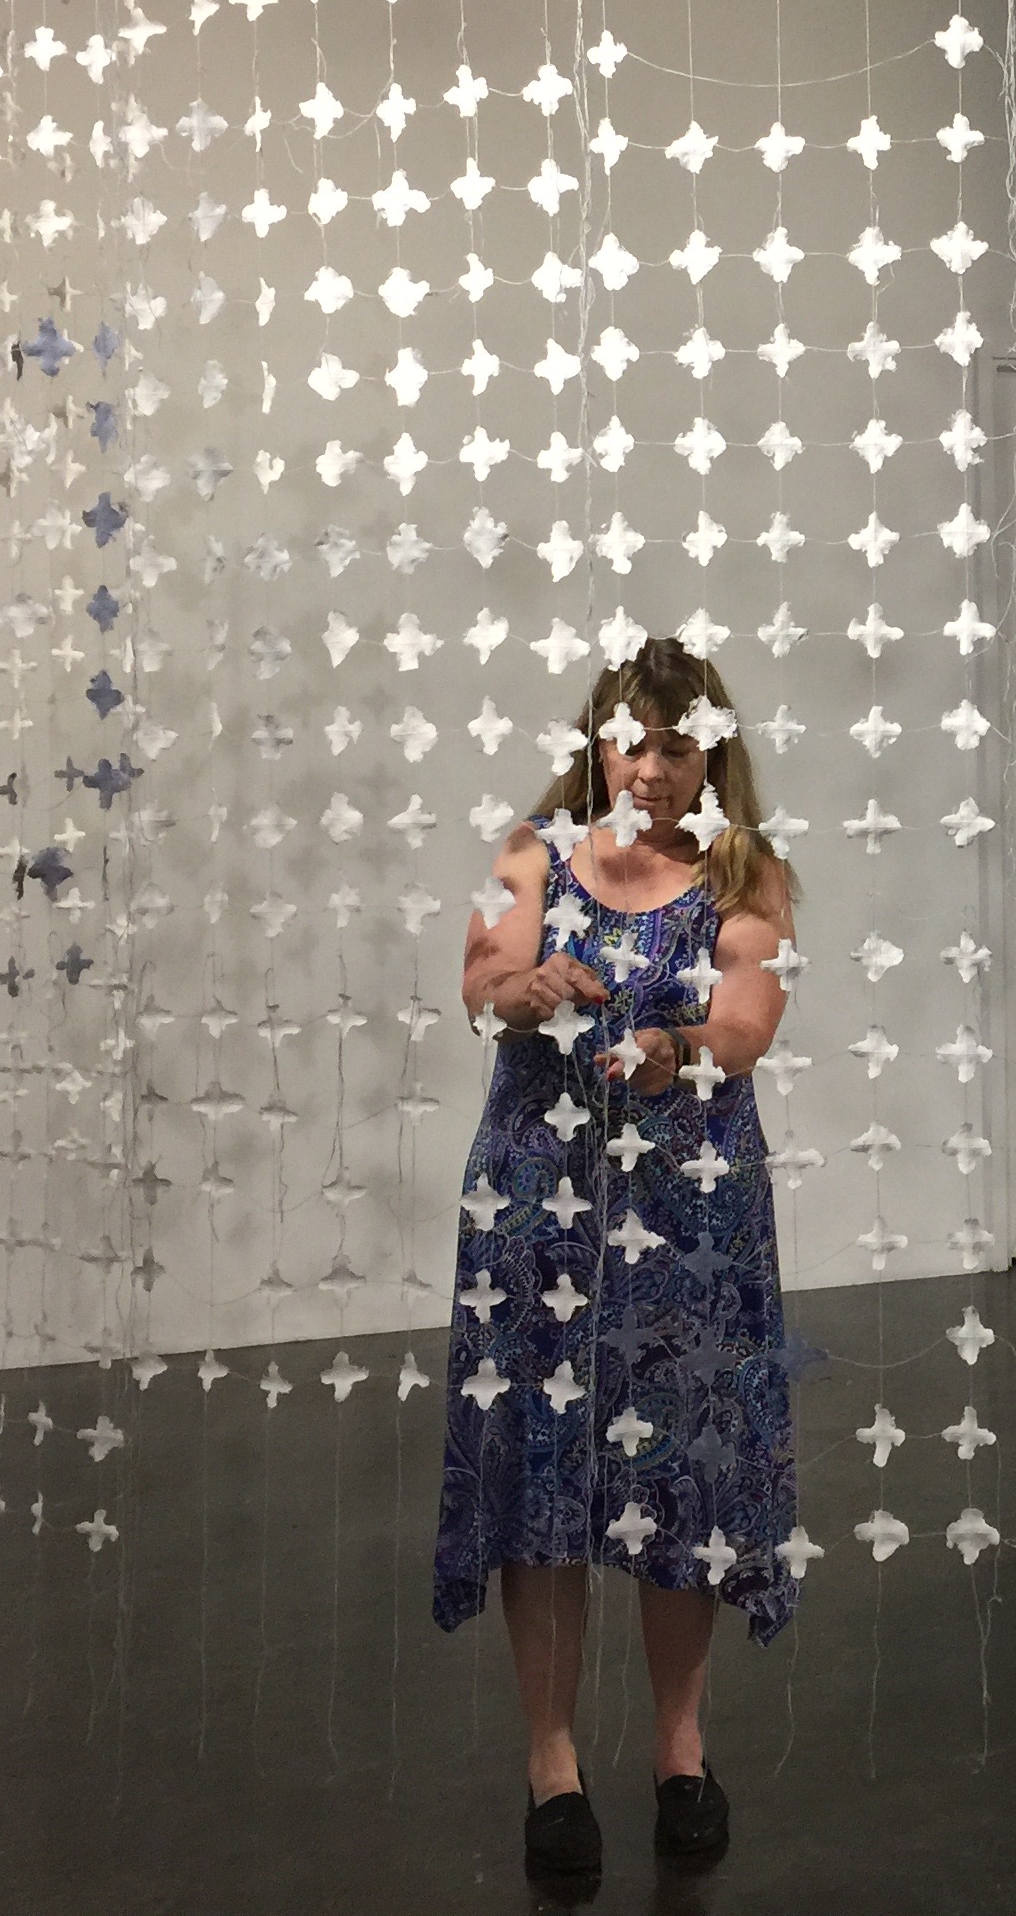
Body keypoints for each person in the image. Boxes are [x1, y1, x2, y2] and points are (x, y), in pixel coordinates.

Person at [432, 642, 803, 1882]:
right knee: (543, 1470)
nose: (650, 768)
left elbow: (747, 1025)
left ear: (713, 754)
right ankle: (552, 1764)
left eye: (677, 745)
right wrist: (527, 984)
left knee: (680, 1481)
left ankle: (679, 1750)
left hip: (690, 1222)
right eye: (631, 742)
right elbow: (477, 986)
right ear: (597, 743)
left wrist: (672, 1050)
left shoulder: (749, 877)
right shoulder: (530, 852)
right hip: (540, 1207)